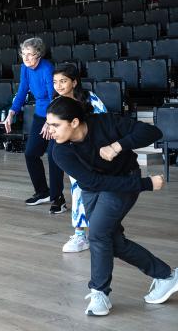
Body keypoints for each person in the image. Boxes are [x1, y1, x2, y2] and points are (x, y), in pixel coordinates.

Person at [46, 97, 178, 316]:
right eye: (49, 125)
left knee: (97, 235)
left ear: (75, 122)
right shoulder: (60, 151)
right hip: (94, 187)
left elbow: (153, 133)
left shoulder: (105, 123)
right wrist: (146, 184)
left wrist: (117, 146)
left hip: (123, 180)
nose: (50, 131)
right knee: (112, 242)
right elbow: (95, 183)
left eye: (55, 125)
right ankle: (167, 275)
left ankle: (100, 292)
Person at [4, 37, 65, 213]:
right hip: (40, 115)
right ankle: (42, 191)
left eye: (30, 55)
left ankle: (58, 198)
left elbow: (53, 95)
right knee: (31, 154)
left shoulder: (47, 68)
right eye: (24, 54)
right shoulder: (25, 68)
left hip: (55, 115)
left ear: (38, 54)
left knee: (54, 156)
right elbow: (22, 90)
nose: (26, 58)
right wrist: (12, 112)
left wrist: (50, 120)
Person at [52, 65, 106, 253]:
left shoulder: (90, 98)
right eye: (55, 82)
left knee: (100, 191)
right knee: (77, 190)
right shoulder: (57, 102)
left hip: (96, 150)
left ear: (74, 82)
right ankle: (80, 235)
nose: (58, 85)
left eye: (63, 81)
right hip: (73, 153)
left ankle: (103, 230)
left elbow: (105, 121)